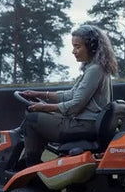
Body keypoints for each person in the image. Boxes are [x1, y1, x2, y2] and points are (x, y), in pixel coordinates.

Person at [16, 24, 119, 167]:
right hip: (86, 123)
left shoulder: (95, 70)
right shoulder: (93, 68)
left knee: (32, 120)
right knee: (37, 116)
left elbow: (75, 105)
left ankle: (29, 166)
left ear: (92, 47)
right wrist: (40, 94)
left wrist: (45, 108)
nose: (73, 51)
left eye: (78, 47)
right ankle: (29, 162)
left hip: (83, 125)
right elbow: (70, 95)